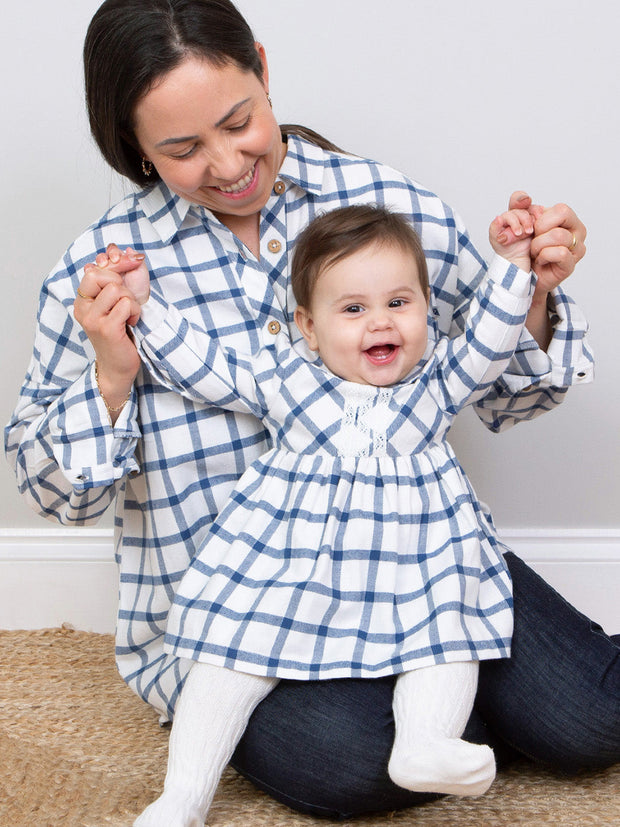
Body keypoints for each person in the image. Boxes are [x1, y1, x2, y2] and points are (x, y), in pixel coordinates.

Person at [4, 0, 617, 820]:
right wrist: (112, 373)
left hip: (417, 558)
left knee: (591, 719)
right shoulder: (105, 267)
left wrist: (534, 286)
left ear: (261, 66)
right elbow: (58, 495)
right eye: (182, 149)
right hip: (240, 601)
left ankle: (450, 699)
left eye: (239, 121)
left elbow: (503, 384)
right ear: (132, 144)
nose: (226, 165)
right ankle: (446, 708)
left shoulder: (381, 202)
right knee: (352, 766)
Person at [121, 202, 536, 825]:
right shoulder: (288, 376)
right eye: (352, 309)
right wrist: (141, 307)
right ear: (308, 328)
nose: (380, 323)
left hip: (415, 556)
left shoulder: (437, 381)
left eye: (400, 302)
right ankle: (185, 792)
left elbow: (489, 337)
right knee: (229, 651)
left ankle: (423, 744)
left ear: (426, 308)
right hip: (294, 556)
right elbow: (206, 365)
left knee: (448, 635)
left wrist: (511, 265)